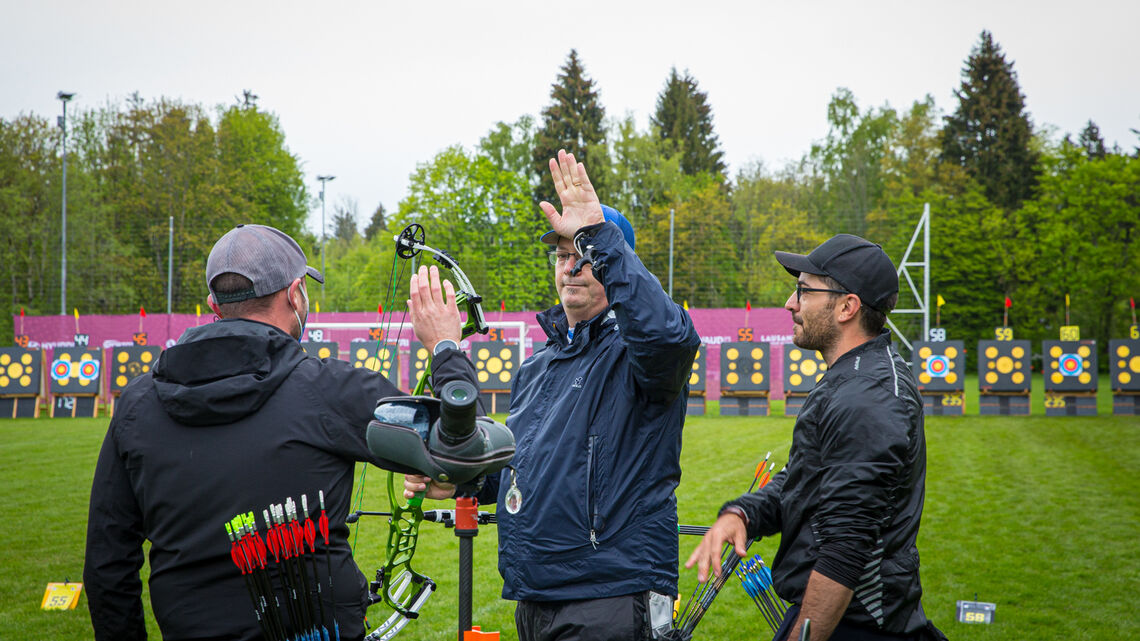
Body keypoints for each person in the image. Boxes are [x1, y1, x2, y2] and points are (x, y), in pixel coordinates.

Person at [84, 223, 480, 641]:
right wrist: (445, 347)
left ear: (213, 306)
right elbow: (459, 446)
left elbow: (108, 565)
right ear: (295, 295)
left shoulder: (136, 405)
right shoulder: (330, 390)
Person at [405, 150, 701, 640]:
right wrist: (461, 484)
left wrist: (598, 233)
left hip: (611, 594)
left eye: (585, 255)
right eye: (563, 254)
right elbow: (517, 474)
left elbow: (669, 338)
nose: (572, 267)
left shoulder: (639, 356)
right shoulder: (537, 368)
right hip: (537, 597)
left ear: (615, 263)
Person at [685, 234, 946, 641]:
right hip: (831, 613)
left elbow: (847, 547)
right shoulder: (851, 379)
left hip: (853, 622)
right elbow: (801, 481)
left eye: (804, 291)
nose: (791, 303)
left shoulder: (868, 397)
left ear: (847, 306)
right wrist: (742, 513)